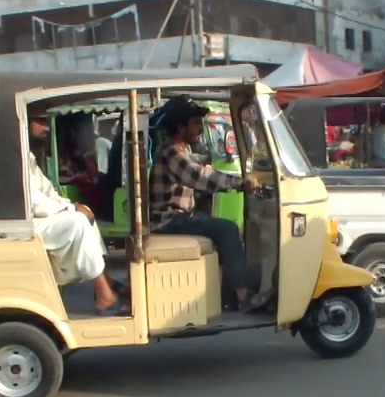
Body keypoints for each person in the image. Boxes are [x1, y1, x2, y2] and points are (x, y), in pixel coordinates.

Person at [148, 95, 268, 312]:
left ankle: (229, 297)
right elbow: (200, 176)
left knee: (225, 230)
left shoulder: (180, 150)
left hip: (175, 218)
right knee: (227, 229)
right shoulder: (171, 152)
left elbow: (204, 169)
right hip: (168, 221)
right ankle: (243, 296)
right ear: (180, 126)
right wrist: (240, 183)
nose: (199, 129)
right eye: (195, 123)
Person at [25, 132, 126, 315]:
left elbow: (48, 192)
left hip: (38, 215)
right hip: (25, 222)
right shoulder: (16, 158)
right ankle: (104, 294)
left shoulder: (28, 156)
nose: (46, 128)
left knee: (86, 214)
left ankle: (106, 282)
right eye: (39, 122)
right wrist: (70, 209)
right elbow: (34, 202)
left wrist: (73, 206)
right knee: (77, 222)